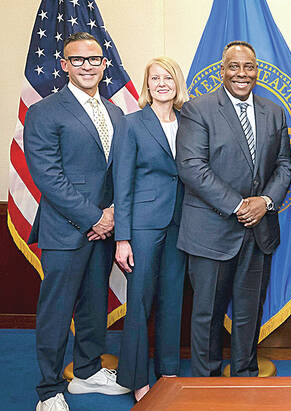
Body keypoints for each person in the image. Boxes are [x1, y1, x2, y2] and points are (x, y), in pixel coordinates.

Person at [175, 41, 291, 377]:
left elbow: (284, 164)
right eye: (234, 66)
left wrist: (265, 202)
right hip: (211, 232)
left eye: (249, 67)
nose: (242, 73)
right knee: (207, 315)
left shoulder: (273, 111)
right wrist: (240, 205)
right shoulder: (198, 109)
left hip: (259, 232)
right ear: (222, 70)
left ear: (257, 71)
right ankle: (206, 385)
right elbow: (192, 167)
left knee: (249, 313)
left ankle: (244, 377)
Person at [25, 32, 128, 411]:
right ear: (65, 65)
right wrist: (94, 217)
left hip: (105, 229)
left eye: (94, 59)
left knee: (93, 305)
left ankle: (87, 371)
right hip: (66, 230)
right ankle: (49, 390)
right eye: (78, 60)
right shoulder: (44, 111)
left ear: (104, 64)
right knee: (57, 311)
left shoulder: (115, 113)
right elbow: (48, 176)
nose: (88, 66)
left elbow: (120, 170)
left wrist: (112, 214)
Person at [112, 57, 189, 401]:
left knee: (172, 299)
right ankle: (137, 378)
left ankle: (168, 371)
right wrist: (122, 238)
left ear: (177, 83)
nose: (162, 84)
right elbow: (122, 182)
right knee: (140, 301)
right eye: (155, 78)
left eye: (167, 77)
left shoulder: (188, 121)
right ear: (147, 85)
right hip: (142, 225)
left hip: (180, 223)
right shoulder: (131, 124)